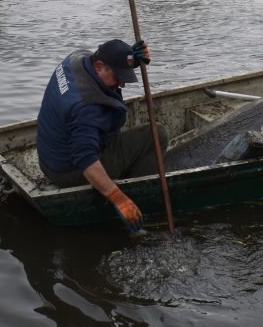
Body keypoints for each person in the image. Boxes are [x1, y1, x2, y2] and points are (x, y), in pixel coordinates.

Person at [35, 38, 165, 231]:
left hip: (48, 158)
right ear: (98, 66)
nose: (122, 84)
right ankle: (140, 199)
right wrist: (119, 198)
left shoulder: (76, 59)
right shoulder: (86, 107)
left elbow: (110, 61)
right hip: (69, 171)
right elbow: (85, 160)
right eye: (118, 76)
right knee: (156, 134)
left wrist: (130, 60)